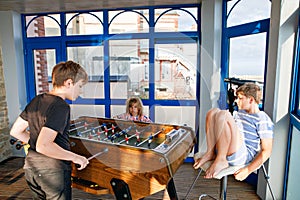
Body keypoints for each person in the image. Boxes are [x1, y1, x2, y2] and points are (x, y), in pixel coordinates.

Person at [10, 60, 90, 199]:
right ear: (69, 83)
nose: (80, 91)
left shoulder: (36, 100)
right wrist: (77, 158)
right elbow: (44, 145)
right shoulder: (61, 106)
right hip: (53, 172)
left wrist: (35, 141)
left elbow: (16, 131)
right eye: (80, 86)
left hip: (32, 169)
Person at [193, 82, 274, 181]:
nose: (236, 101)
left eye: (240, 98)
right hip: (228, 149)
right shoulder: (240, 113)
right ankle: (210, 152)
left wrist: (248, 170)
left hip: (242, 155)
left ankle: (221, 159)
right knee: (213, 112)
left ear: (251, 100)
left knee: (223, 114)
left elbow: (267, 151)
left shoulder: (262, 119)